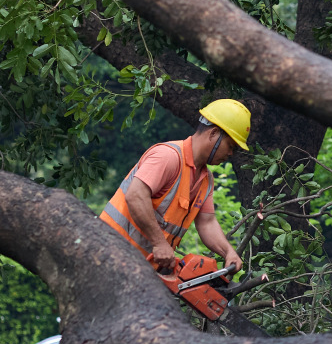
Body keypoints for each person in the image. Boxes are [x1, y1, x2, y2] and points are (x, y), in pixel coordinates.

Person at [100, 99, 250, 275]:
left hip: (136, 270)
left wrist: (228, 252)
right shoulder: (168, 157)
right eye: (230, 146)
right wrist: (159, 243)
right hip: (107, 254)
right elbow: (135, 195)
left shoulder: (206, 179)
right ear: (214, 133)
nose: (231, 153)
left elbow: (207, 223)